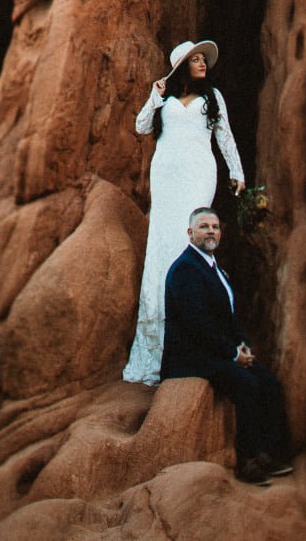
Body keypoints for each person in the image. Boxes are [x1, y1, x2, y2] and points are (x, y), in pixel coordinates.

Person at [123, 39, 245, 385]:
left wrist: (237, 172)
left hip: (198, 172)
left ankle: (195, 341)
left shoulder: (212, 98)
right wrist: (154, 95)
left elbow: (225, 137)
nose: (203, 63)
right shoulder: (164, 99)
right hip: (166, 176)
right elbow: (141, 127)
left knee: (188, 241)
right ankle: (157, 348)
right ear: (181, 66)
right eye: (195, 59)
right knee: (163, 248)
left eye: (204, 59)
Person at [161, 207, 292, 485]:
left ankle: (269, 454)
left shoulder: (213, 267)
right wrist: (233, 355)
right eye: (204, 226)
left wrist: (242, 347)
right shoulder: (185, 268)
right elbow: (198, 324)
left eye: (215, 227)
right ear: (190, 233)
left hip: (217, 351)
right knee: (246, 384)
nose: (211, 231)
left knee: (269, 383)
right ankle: (247, 461)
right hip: (191, 356)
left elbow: (227, 317)